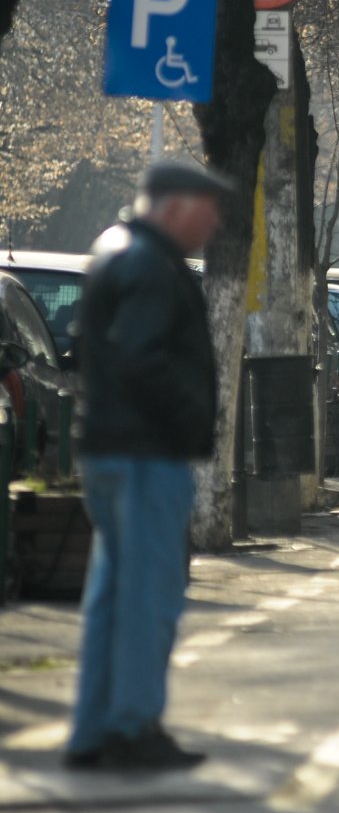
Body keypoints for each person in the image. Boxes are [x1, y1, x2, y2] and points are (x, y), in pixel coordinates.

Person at [66, 163, 230, 771]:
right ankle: (134, 728)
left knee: (111, 596)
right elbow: (141, 357)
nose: (214, 223)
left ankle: (92, 731)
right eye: (207, 208)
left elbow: (93, 351)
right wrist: (192, 417)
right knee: (149, 598)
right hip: (146, 455)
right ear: (173, 206)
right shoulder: (153, 267)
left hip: (111, 450)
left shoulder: (115, 251)